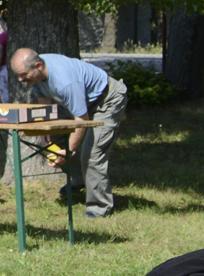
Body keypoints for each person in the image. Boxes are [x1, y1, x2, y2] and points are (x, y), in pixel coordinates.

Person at [10, 49, 128, 218]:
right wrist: (48, 140)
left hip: (106, 100)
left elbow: (81, 120)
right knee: (55, 146)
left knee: (92, 155)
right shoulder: (36, 75)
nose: (20, 80)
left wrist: (69, 151)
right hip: (76, 103)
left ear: (38, 66)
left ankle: (99, 207)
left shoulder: (64, 81)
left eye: (23, 75)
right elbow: (46, 109)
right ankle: (80, 179)